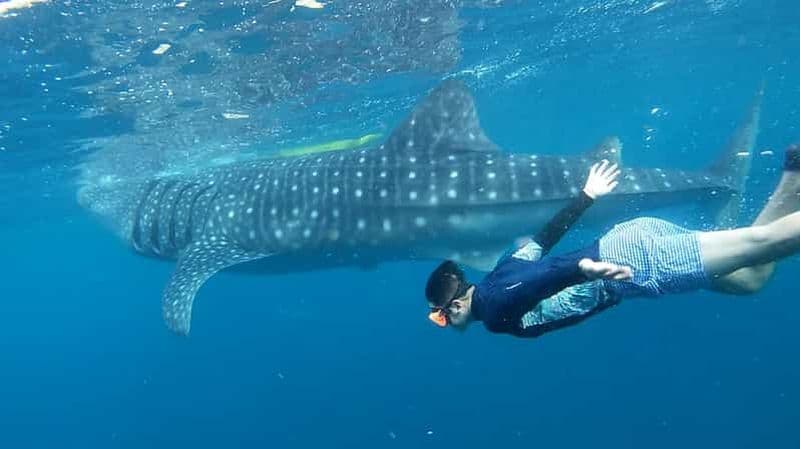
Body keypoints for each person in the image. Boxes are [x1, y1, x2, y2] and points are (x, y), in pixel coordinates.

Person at [425, 145, 800, 338]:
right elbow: (544, 239)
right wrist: (587, 195)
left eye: (440, 317)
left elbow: (530, 287)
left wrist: (581, 270)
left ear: (455, 306)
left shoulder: (492, 310)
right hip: (626, 242)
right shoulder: (499, 272)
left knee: (764, 242)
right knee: (751, 278)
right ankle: (795, 174)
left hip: (631, 266)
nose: (444, 324)